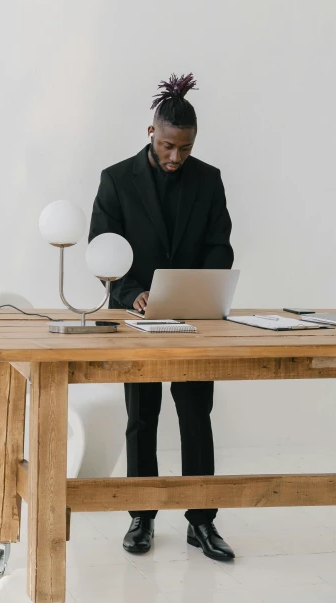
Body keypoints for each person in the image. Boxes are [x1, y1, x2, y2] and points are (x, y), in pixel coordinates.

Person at [88, 73, 235, 561]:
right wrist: (133, 295)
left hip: (194, 320)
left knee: (196, 415)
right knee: (142, 417)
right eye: (170, 146)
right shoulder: (115, 180)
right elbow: (102, 253)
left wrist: (203, 289)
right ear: (151, 132)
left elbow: (219, 246)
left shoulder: (209, 180)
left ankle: (202, 521)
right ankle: (141, 516)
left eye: (186, 149)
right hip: (137, 319)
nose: (177, 157)